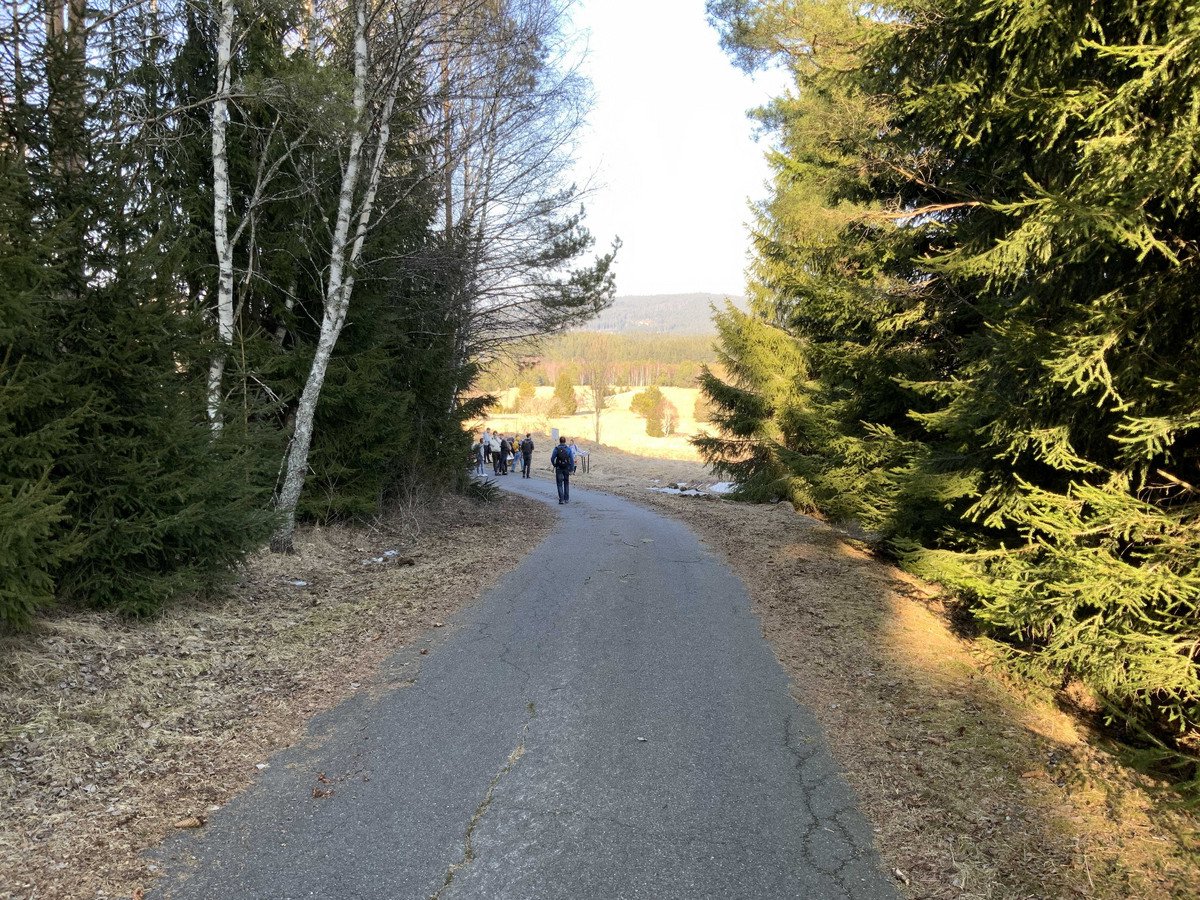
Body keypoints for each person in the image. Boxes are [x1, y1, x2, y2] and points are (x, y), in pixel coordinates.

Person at [551, 435, 572, 504]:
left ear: (559, 441)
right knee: (566, 483)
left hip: (559, 468)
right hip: (566, 468)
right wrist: (571, 469)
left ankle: (561, 499)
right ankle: (567, 499)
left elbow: (552, 458)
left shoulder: (556, 449)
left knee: (559, 484)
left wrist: (555, 465)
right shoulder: (568, 449)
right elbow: (571, 459)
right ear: (565, 441)